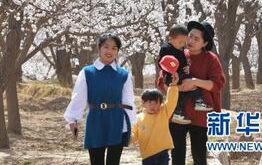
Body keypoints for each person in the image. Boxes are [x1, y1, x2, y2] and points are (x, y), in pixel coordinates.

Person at [157, 20, 225, 165]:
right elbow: (162, 82)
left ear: (205, 43)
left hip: (200, 115)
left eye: (196, 39)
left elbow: (217, 84)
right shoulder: (176, 52)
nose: (190, 41)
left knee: (199, 157)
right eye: (190, 36)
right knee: (177, 157)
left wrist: (194, 82)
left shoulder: (211, 59)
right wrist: (179, 88)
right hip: (176, 115)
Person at [64, 33, 136, 165]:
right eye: (106, 47)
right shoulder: (87, 72)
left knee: (113, 162)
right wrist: (72, 119)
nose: (110, 51)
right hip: (95, 120)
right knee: (96, 161)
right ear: (99, 48)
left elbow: (128, 102)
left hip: (117, 121)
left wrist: (131, 127)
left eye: (114, 48)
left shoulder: (123, 74)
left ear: (118, 51)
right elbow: (78, 98)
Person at [157, 24, 212, 125]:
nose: (183, 45)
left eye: (184, 42)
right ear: (170, 39)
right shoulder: (166, 48)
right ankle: (182, 110)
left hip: (181, 73)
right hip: (172, 76)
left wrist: (186, 66)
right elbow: (162, 63)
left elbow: (182, 59)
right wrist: (172, 70)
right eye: (180, 42)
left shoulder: (180, 48)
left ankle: (195, 103)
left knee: (189, 86)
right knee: (180, 93)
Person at [131, 72, 179, 165]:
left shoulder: (163, 112)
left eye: (155, 102)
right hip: (148, 155)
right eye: (149, 102)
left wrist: (173, 85)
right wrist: (128, 137)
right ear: (143, 103)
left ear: (160, 103)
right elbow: (134, 133)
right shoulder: (138, 118)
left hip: (163, 153)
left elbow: (171, 101)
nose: (152, 105)